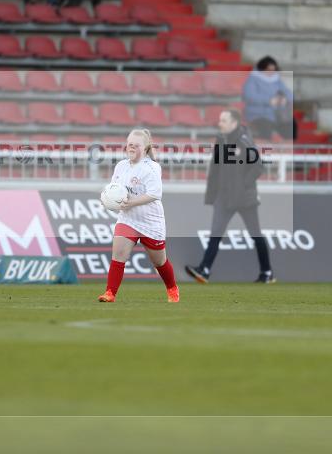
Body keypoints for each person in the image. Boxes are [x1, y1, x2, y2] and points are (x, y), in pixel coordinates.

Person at [185, 109, 275, 284]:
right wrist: (212, 193)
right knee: (215, 234)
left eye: (224, 120)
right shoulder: (221, 140)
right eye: (220, 120)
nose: (220, 123)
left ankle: (267, 272)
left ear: (234, 123)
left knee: (256, 235)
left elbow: (257, 166)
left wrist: (243, 185)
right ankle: (204, 270)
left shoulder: (244, 141)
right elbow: (216, 169)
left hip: (244, 199)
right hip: (224, 197)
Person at [98, 128, 179, 303]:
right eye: (129, 144)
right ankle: (110, 293)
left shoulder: (151, 167)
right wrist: (107, 199)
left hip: (151, 221)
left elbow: (155, 194)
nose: (131, 148)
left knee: (159, 262)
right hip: (128, 218)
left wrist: (131, 202)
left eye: (136, 145)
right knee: (118, 254)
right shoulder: (121, 166)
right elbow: (115, 190)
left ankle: (172, 288)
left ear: (145, 148)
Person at [242, 56, 295, 141]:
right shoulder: (252, 80)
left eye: (273, 70)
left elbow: (288, 93)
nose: (271, 72)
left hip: (276, 115)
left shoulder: (277, 80)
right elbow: (250, 96)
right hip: (257, 115)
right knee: (265, 129)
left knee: (290, 128)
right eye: (269, 69)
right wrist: (269, 101)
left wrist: (285, 98)